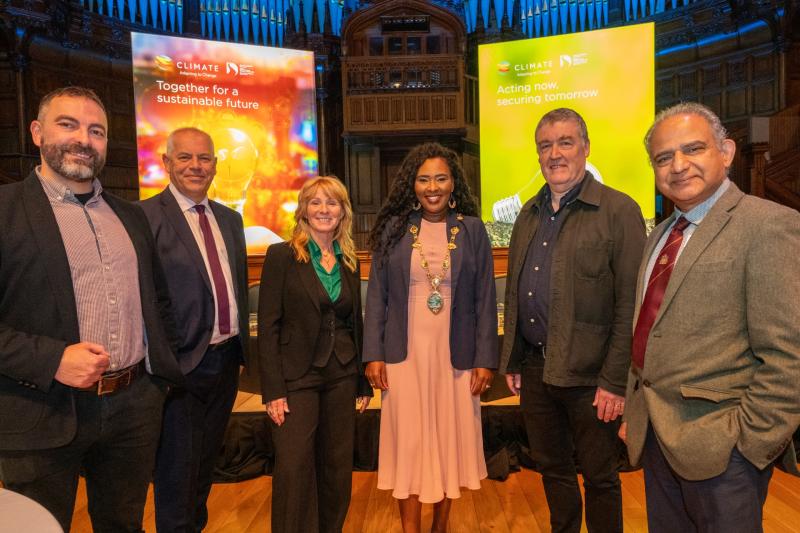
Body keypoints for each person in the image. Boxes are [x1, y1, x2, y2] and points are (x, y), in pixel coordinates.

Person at [0, 86, 184, 532]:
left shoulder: (131, 216)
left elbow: (157, 302)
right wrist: (52, 359)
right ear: (37, 131)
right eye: (69, 124)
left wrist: (158, 380)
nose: (84, 139)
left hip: (135, 407)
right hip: (40, 410)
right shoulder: (5, 210)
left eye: (96, 130)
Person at [619, 102, 800, 532]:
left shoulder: (768, 225)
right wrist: (635, 412)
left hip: (725, 453)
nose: (678, 165)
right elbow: (649, 332)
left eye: (693, 149)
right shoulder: (660, 236)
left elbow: (790, 355)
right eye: (664, 157)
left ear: (727, 152)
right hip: (658, 442)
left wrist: (748, 443)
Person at [498, 108, 646, 533]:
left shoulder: (618, 210)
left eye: (565, 142)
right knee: (553, 470)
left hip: (593, 379)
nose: (554, 153)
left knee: (600, 477)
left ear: (585, 148)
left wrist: (616, 381)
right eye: (545, 145)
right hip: (536, 371)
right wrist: (515, 359)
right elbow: (518, 291)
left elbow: (630, 306)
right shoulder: (528, 213)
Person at [363, 142, 498, 533]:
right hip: (403, 356)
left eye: (441, 177)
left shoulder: (472, 230)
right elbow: (377, 297)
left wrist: (486, 359)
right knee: (409, 442)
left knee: (446, 441)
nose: (432, 186)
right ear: (412, 185)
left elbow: (486, 298)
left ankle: (440, 526)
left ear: (453, 182)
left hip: (457, 357)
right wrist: (373, 353)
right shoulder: (393, 229)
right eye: (424, 179)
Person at [140, 127, 249, 533]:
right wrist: (166, 363)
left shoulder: (231, 219)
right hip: (179, 369)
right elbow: (145, 297)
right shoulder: (145, 217)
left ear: (216, 166)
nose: (195, 166)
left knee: (204, 469)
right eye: (184, 158)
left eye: (204, 158)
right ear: (166, 163)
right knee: (175, 474)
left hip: (225, 362)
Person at [258, 176, 372, 533]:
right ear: (304, 209)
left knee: (336, 465)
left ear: (343, 212)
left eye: (332, 203)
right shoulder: (282, 256)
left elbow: (355, 322)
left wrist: (362, 382)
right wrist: (273, 390)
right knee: (293, 466)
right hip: (296, 378)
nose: (324, 210)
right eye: (316, 202)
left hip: (341, 373)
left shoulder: (349, 258)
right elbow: (268, 326)